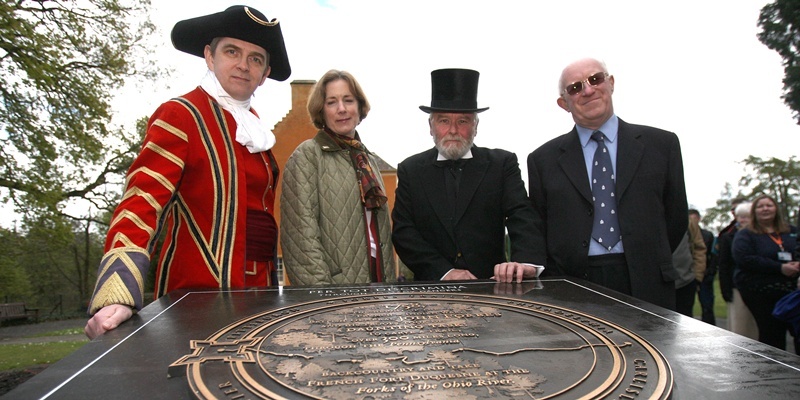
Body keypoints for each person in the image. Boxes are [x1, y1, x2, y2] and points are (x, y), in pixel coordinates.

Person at [85, 5, 291, 339]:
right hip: (198, 294)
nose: (243, 64)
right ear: (210, 57)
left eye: (255, 58)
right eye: (232, 51)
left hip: (260, 291)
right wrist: (118, 293)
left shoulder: (256, 130)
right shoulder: (181, 114)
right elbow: (141, 203)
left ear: (265, 73)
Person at [527, 58, 688, 310]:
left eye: (595, 79)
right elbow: (539, 226)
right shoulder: (542, 160)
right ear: (563, 103)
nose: (588, 90)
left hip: (647, 283)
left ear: (610, 83)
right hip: (573, 288)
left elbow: (676, 217)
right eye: (575, 88)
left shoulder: (662, 145)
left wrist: (643, 252)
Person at [392, 68, 544, 283]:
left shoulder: (502, 164)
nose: (453, 130)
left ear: (475, 126)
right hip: (430, 290)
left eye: (463, 121)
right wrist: (444, 272)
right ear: (431, 126)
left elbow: (522, 215)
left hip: (493, 289)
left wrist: (525, 263)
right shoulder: (410, 169)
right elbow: (404, 233)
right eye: (444, 121)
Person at [280, 70, 398, 285]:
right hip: (335, 294)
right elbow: (301, 240)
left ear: (359, 107)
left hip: (377, 283)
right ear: (321, 110)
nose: (342, 109)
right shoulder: (308, 155)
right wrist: (323, 299)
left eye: (348, 100)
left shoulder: (367, 161)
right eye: (331, 102)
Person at [733, 194, 799, 353]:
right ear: (754, 211)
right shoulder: (746, 234)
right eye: (760, 206)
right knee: (772, 333)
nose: (765, 209)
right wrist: (780, 268)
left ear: (776, 208)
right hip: (760, 291)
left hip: (791, 290)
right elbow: (744, 258)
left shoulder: (791, 231)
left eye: (769, 205)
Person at [718, 202, 758, 339]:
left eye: (747, 217)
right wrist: (725, 289)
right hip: (737, 286)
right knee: (739, 326)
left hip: (758, 286)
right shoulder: (727, 236)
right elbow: (723, 265)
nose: (743, 220)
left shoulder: (761, 236)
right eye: (740, 217)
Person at [672, 216, 706, 317]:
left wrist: (697, 276)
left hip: (685, 281)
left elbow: (699, 248)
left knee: (683, 321)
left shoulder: (689, 222)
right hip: (656, 284)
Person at [690, 209, 717, 325]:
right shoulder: (685, 233)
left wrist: (709, 271)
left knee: (707, 306)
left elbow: (712, 255)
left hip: (706, 276)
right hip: (689, 275)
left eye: (694, 219)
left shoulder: (708, 235)